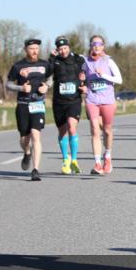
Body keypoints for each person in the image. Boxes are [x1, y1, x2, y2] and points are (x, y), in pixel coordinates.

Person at [6, 39, 52, 181]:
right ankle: (26, 152)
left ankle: (35, 169)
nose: (34, 51)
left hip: (38, 103)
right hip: (23, 104)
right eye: (31, 48)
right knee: (25, 138)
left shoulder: (45, 64)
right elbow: (8, 84)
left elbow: (51, 78)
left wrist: (47, 86)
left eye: (36, 48)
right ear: (25, 49)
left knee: (35, 135)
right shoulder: (18, 66)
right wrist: (21, 88)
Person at [82, 35, 123, 174]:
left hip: (107, 101)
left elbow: (119, 80)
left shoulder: (108, 61)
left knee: (107, 130)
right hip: (92, 99)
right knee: (94, 129)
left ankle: (108, 156)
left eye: (99, 44)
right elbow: (82, 79)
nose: (96, 46)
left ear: (103, 46)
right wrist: (81, 83)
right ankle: (97, 163)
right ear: (90, 46)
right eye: (94, 44)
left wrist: (103, 75)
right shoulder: (86, 62)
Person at [50, 36, 86, 175]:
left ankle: (74, 160)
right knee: (62, 131)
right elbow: (47, 73)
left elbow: (87, 75)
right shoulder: (55, 61)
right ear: (57, 50)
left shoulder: (78, 59)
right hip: (59, 102)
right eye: (60, 49)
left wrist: (85, 85)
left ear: (69, 47)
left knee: (72, 127)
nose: (63, 51)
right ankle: (65, 159)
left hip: (74, 100)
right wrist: (51, 58)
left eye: (65, 48)